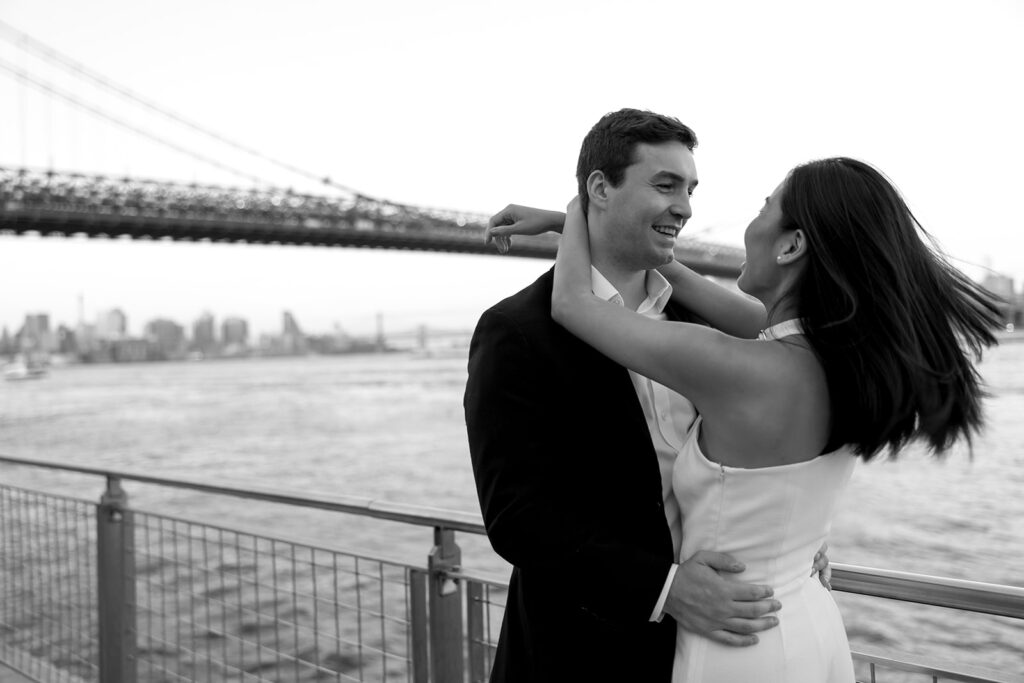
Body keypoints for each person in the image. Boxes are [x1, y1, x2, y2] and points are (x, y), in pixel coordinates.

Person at [489, 156, 1001, 681]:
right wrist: (594, 222)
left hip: (737, 640)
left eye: (764, 209)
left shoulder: (741, 367)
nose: (749, 223)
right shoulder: (843, 354)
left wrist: (580, 209)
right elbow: (692, 284)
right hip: (806, 619)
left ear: (790, 245)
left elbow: (573, 303)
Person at [464, 109, 826, 683]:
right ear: (600, 189)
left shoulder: (706, 324)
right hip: (582, 652)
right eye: (665, 185)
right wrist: (666, 589)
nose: (685, 206)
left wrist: (786, 537)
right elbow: (518, 516)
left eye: (689, 188)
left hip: (721, 643)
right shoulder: (516, 330)